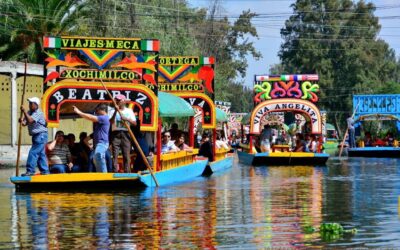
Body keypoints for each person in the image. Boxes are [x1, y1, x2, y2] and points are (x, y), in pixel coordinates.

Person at [73, 103, 110, 173]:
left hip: (102, 143)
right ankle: (101, 175)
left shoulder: (104, 117)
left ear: (102, 110)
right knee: (96, 158)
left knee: (98, 155)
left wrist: (79, 112)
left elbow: (90, 117)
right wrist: (90, 146)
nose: (96, 112)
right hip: (98, 145)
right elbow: (85, 140)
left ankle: (104, 175)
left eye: (97, 110)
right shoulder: (98, 128)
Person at [19, 97, 50, 176]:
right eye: (29, 103)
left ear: (36, 105)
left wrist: (24, 111)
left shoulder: (38, 113)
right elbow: (25, 123)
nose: (29, 105)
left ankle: (30, 171)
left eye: (31, 103)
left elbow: (30, 120)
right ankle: (45, 171)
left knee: (33, 152)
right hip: (36, 136)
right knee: (41, 154)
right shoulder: (29, 112)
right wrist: (21, 121)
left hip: (41, 135)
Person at [109, 94, 137, 173]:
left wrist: (126, 119)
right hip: (116, 133)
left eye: (119, 100)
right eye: (116, 100)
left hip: (126, 133)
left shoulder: (129, 111)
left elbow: (134, 123)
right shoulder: (112, 110)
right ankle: (115, 172)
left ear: (124, 101)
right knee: (115, 154)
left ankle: (127, 172)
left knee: (126, 154)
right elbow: (110, 122)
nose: (117, 101)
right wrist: (115, 111)